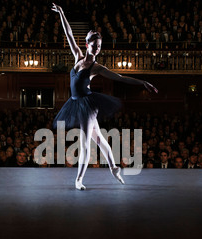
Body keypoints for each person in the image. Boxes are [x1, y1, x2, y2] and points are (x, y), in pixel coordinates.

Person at [51, 3, 158, 190]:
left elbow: (120, 77)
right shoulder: (77, 56)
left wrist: (142, 82)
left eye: (99, 46)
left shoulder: (97, 68)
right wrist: (61, 13)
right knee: (99, 138)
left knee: (85, 143)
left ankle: (78, 180)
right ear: (87, 45)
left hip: (87, 105)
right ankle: (114, 167)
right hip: (76, 103)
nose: (97, 49)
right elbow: (68, 34)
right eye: (94, 46)